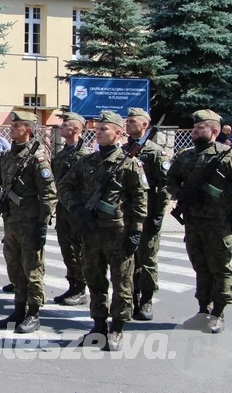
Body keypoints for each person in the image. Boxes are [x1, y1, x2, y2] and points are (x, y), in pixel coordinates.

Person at [58, 110, 147, 351]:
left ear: (118, 133)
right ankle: (98, 326)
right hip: (91, 231)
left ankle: (117, 328)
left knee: (122, 282)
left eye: (104, 129)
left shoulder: (129, 164)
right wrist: (75, 207)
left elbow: (139, 200)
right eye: (96, 129)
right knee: (95, 280)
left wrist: (136, 230)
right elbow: (64, 185)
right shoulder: (86, 161)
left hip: (118, 232)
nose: (98, 132)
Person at [166, 109, 232, 335]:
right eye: (194, 126)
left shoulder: (229, 156)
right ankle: (203, 310)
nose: (195, 130)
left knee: (219, 268)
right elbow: (170, 180)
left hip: (219, 223)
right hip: (193, 222)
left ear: (214, 131)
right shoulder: (186, 155)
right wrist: (180, 193)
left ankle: (218, 313)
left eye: (201, 127)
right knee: (200, 267)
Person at [0, 110, 56, 334]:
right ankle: (19, 309)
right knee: (15, 268)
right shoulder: (7, 156)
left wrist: (42, 224)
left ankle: (34, 313)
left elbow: (49, 193)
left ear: (28, 129)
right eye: (13, 123)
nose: (12, 127)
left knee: (33, 270)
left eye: (17, 124)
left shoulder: (37, 158)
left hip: (30, 223)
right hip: (11, 222)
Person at [124, 107, 171, 321]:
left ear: (144, 125)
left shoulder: (154, 152)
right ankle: (131, 297)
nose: (128, 124)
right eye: (127, 120)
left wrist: (158, 215)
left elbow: (164, 187)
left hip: (148, 214)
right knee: (128, 259)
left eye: (132, 121)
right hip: (127, 215)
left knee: (147, 259)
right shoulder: (123, 149)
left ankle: (146, 300)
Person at [51, 112, 91, 306]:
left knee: (79, 249)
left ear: (76, 129)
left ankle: (81, 288)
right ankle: (73, 285)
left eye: (66, 124)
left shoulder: (85, 155)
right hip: (63, 208)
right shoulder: (62, 153)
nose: (62, 127)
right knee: (67, 249)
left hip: (77, 209)